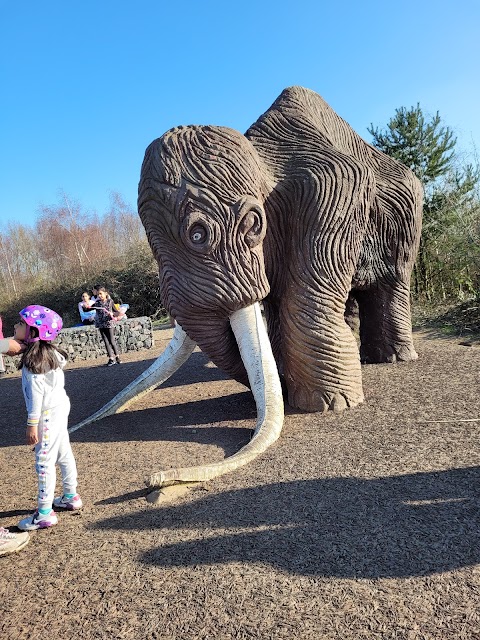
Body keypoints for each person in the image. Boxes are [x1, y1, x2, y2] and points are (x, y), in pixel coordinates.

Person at [14, 305, 83, 532]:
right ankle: (70, 495)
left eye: (22, 323)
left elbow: (36, 397)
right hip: (60, 408)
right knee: (63, 453)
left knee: (44, 461)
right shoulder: (50, 354)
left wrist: (31, 425)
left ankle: (44, 512)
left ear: (34, 332)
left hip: (45, 415)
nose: (17, 326)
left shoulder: (33, 364)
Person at [92, 287, 122, 366]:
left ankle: (117, 356)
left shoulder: (110, 301)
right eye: (98, 294)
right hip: (101, 324)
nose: (100, 296)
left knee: (111, 341)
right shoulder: (97, 303)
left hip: (109, 323)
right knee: (106, 342)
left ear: (106, 294)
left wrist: (113, 314)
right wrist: (86, 306)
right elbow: (88, 308)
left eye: (101, 294)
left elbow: (117, 312)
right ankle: (111, 358)